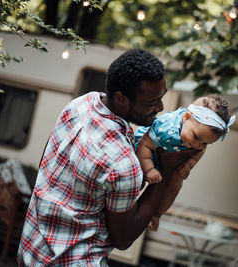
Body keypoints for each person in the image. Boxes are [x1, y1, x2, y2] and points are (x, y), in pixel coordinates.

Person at [17, 48, 201, 266]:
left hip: (31, 250)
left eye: (161, 98)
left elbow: (46, 166)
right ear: (121, 99)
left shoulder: (80, 104)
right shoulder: (123, 163)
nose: (160, 108)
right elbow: (124, 238)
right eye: (152, 102)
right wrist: (167, 170)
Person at [135, 94, 235, 231]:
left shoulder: (198, 140)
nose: (197, 144)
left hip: (164, 161)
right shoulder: (166, 128)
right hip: (143, 155)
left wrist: (188, 165)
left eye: (205, 143)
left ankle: (156, 214)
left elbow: (199, 153)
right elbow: (143, 145)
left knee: (176, 183)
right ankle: (126, 203)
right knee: (136, 180)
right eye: (196, 137)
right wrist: (149, 169)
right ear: (186, 117)